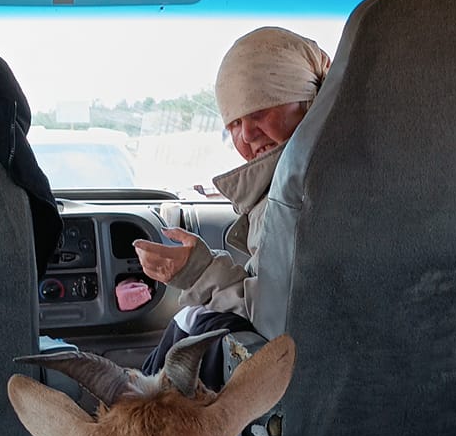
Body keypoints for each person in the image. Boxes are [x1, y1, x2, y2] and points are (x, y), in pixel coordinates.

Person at [135, 24, 329, 343]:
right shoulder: (342, 173)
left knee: (194, 324)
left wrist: (199, 273)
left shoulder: (299, 197)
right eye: (235, 122)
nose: (247, 135)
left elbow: (276, 324)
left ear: (310, 101)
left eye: (260, 111)